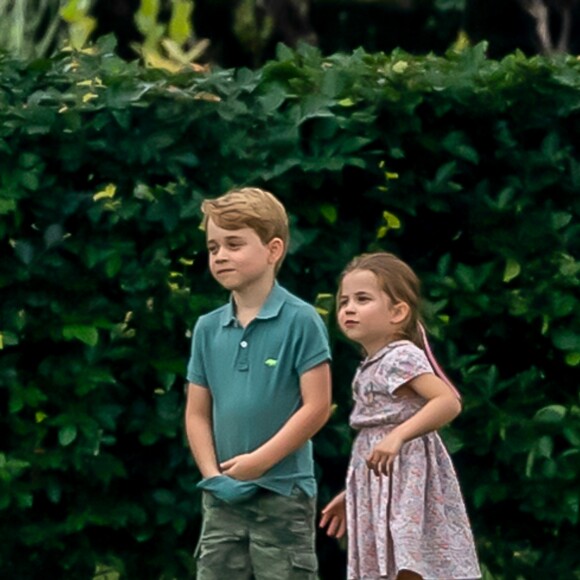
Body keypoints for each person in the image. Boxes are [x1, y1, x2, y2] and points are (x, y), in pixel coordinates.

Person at [184, 187, 332, 579]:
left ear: (273, 249)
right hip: (222, 496)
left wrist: (259, 463)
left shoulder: (301, 320)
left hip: (284, 491)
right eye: (213, 247)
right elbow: (197, 413)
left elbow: (317, 406)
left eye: (234, 244)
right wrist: (213, 475)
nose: (220, 256)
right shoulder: (207, 328)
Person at [319, 252, 481, 580]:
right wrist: (353, 493)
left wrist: (398, 436)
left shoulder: (401, 356)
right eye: (344, 301)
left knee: (409, 563)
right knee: (391, 567)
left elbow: (447, 401)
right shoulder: (372, 363)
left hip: (410, 475)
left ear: (398, 312)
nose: (348, 308)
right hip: (384, 478)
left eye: (362, 299)